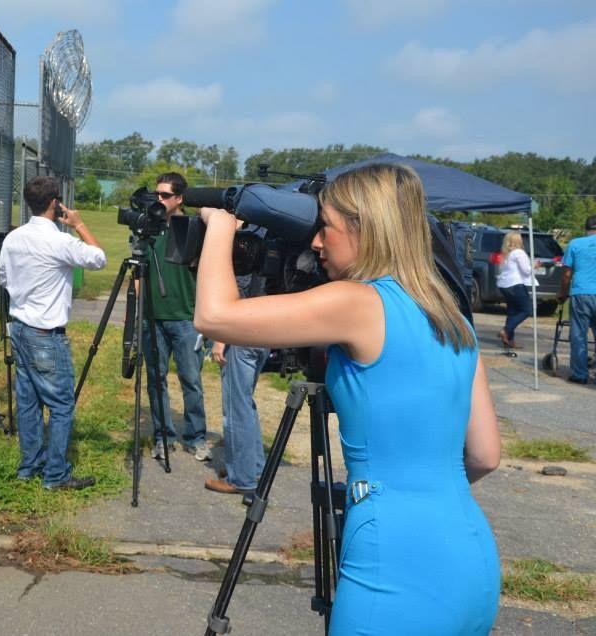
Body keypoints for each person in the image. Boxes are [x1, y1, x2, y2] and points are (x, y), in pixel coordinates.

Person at [194, 163, 501, 634]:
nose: (316, 243)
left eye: (327, 228)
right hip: (469, 554)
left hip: (392, 562)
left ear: (364, 228)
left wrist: (220, 226)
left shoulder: (358, 302)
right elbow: (484, 456)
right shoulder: (452, 317)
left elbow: (215, 316)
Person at [0, 176, 107, 489]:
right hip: (46, 333)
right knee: (60, 405)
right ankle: (55, 475)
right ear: (54, 203)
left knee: (29, 401)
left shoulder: (14, 238)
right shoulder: (60, 241)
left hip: (19, 327)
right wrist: (79, 224)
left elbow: (3, 277)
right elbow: (99, 258)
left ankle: (29, 466)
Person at [143, 172, 211, 462]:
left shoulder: (193, 229)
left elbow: (209, 275)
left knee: (191, 380)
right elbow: (140, 272)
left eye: (165, 195)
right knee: (155, 379)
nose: (159, 200)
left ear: (180, 198)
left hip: (186, 318)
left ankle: (196, 437)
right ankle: (163, 436)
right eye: (156, 194)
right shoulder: (148, 228)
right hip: (152, 320)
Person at [205, 226, 269, 495]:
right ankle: (252, 467)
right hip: (265, 332)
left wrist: (222, 337)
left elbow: (238, 294)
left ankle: (241, 479)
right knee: (245, 404)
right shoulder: (268, 237)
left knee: (235, 408)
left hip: (240, 337)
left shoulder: (244, 242)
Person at [558, 214, 596, 384]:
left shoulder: (575, 244)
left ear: (586, 228)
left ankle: (580, 374)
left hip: (581, 293)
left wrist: (562, 293)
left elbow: (567, 274)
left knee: (579, 335)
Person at [496, 231, 536, 349]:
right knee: (527, 310)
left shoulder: (506, 254)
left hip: (504, 285)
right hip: (515, 284)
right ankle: (506, 330)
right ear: (518, 240)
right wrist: (534, 265)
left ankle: (509, 340)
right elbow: (526, 270)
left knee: (512, 311)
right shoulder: (519, 252)